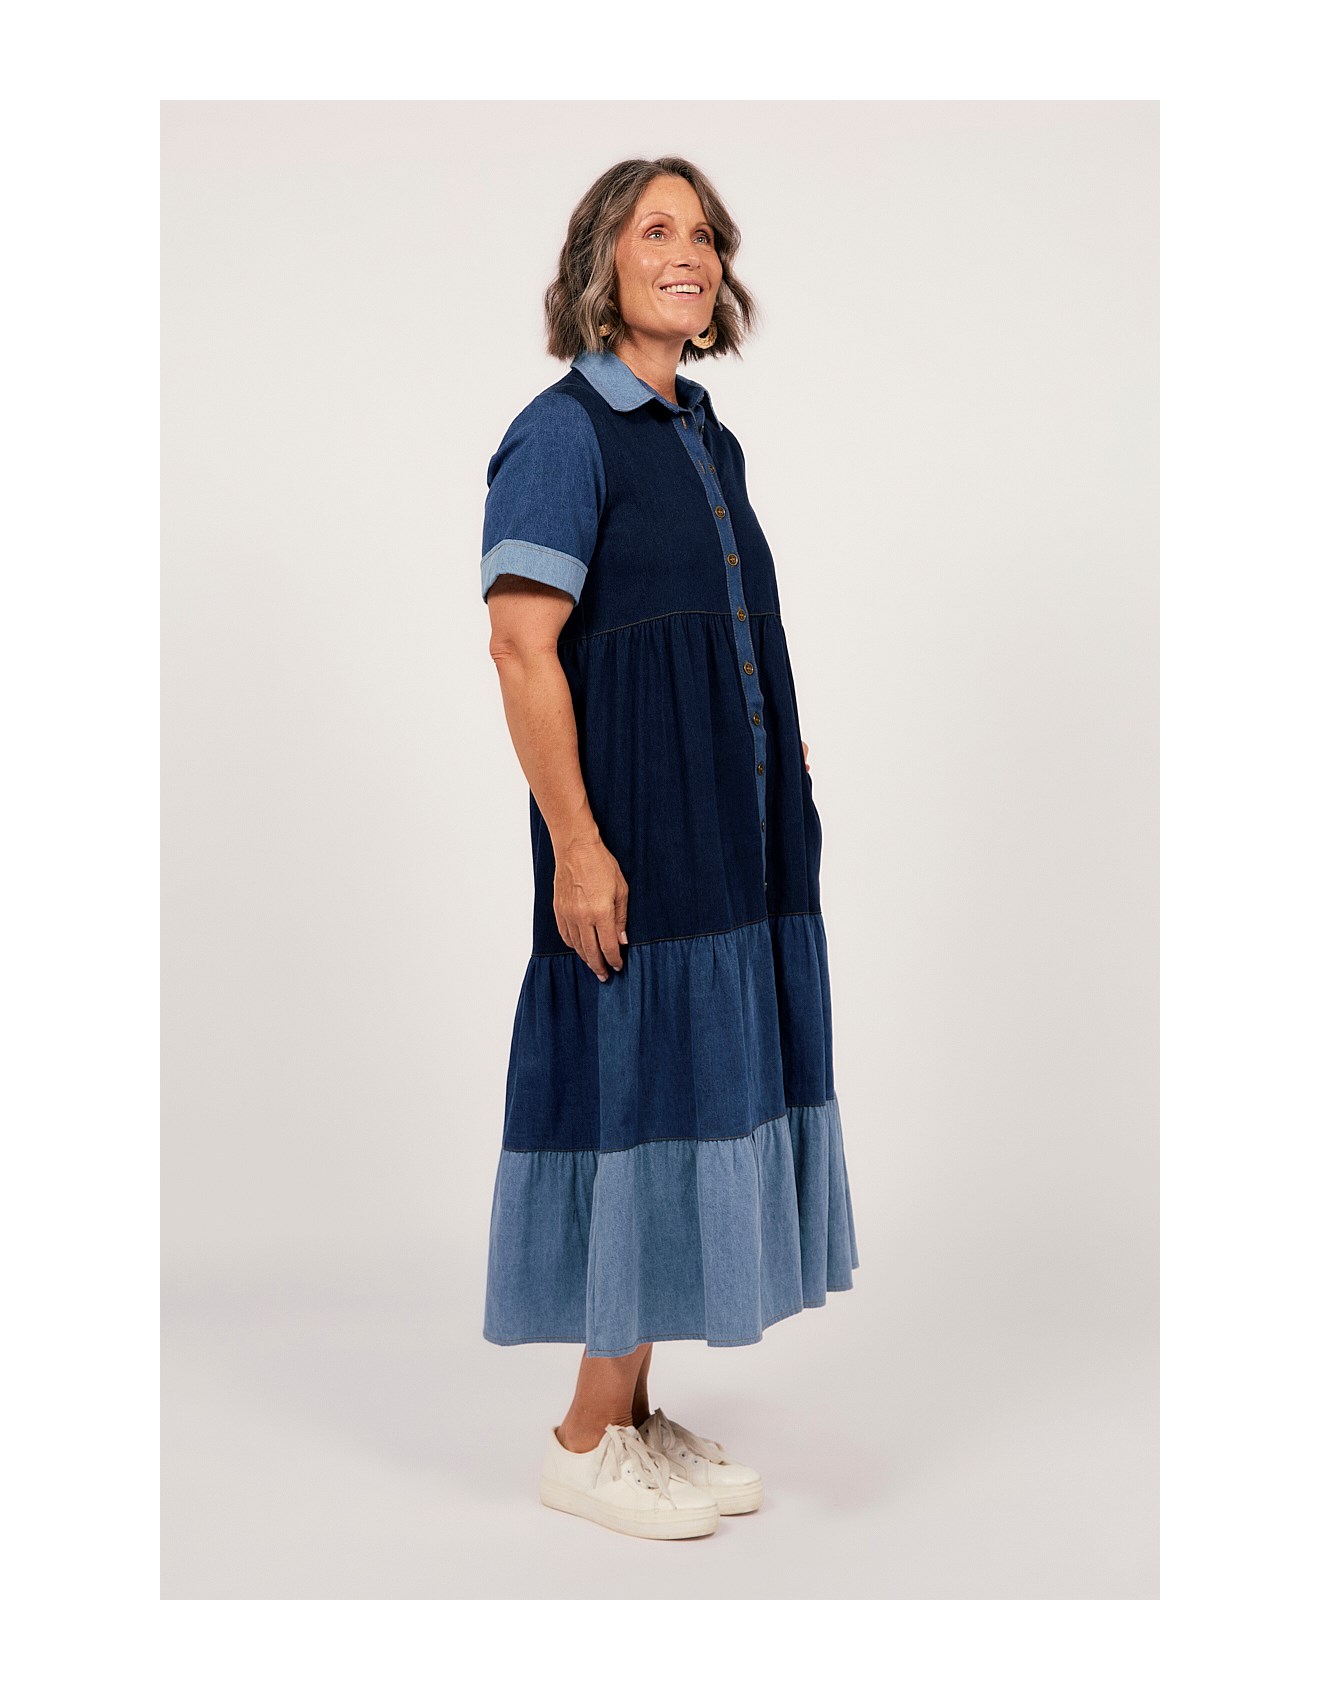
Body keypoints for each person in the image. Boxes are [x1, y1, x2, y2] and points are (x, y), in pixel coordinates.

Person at [479, 157, 859, 1541]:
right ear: (604, 262)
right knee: (637, 1104)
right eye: (657, 230)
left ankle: (636, 1417)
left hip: (731, 841)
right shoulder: (561, 435)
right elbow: (522, 650)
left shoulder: (705, 433)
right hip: (634, 837)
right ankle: (585, 1436)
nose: (688, 252)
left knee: (688, 1096)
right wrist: (578, 847)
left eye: (703, 234)